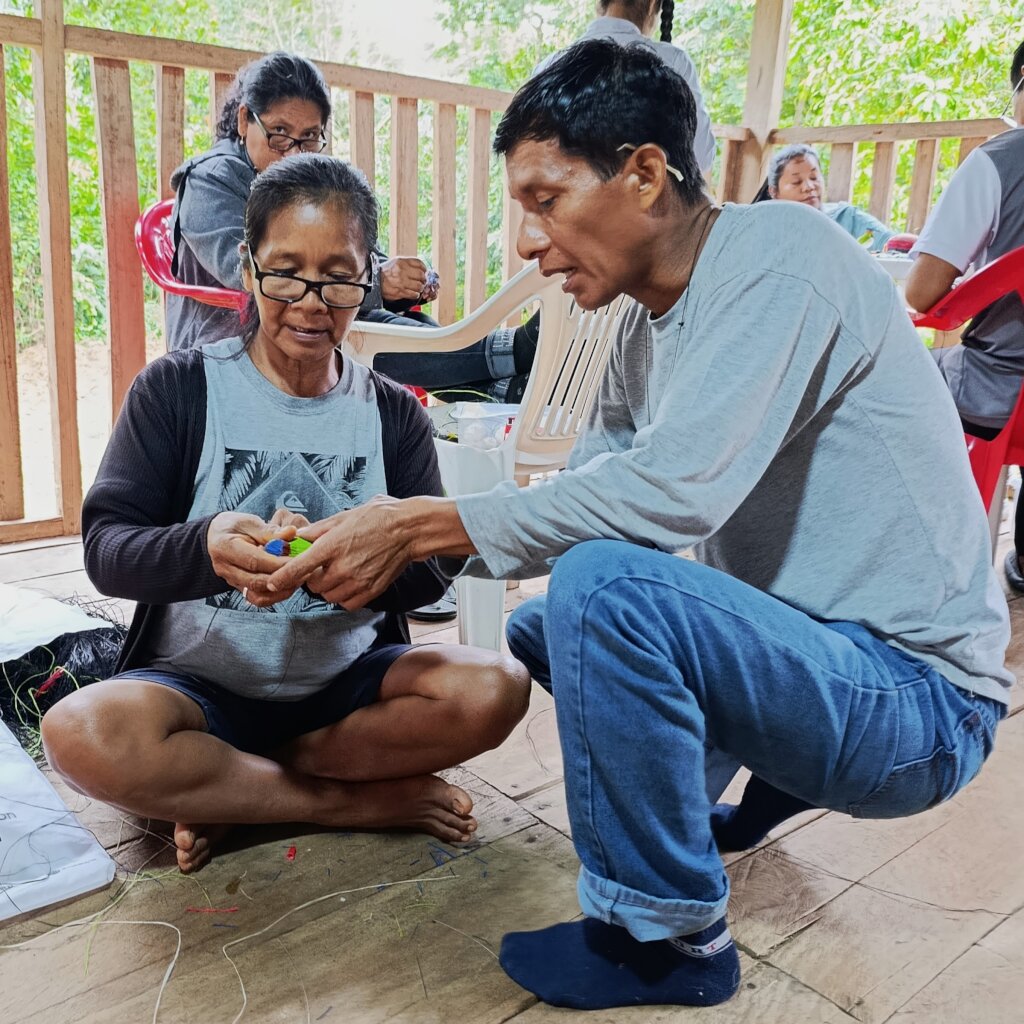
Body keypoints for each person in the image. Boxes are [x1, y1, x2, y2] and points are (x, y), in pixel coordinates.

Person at [258, 41, 1011, 1010]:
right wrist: (377, 547)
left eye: (543, 198)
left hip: (921, 704)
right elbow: (579, 506)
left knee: (604, 593)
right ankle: (752, 782)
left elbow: (670, 497)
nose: (526, 242)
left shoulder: (782, 253)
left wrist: (420, 525)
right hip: (828, 658)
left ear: (645, 172)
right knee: (555, 621)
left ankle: (668, 936)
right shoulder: (637, 324)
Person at [40, 154, 531, 875]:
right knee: (79, 731)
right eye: (285, 270)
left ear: (368, 280)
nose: (311, 299)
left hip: (345, 694)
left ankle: (237, 790)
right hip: (198, 689)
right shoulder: (178, 389)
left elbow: (430, 581)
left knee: (497, 688)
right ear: (247, 269)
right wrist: (203, 546)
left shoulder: (392, 412)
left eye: (338, 276)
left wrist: (367, 571)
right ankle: (347, 803)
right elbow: (108, 549)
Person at [168, 51, 539, 404]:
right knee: (365, 332)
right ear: (244, 120)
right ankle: (512, 357)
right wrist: (376, 283)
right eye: (279, 131)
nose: (295, 152)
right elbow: (247, 271)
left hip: (306, 312)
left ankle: (505, 386)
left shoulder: (305, 181)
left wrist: (400, 280)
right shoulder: (210, 181)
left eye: (310, 136)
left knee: (391, 323)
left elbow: (347, 247)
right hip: (234, 330)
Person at [905, 38, 1024, 593]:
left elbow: (924, 292)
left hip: (998, 389)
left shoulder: (998, 161)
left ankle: (921, 558)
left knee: (885, 374)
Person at [535, 0, 715, 175]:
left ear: (599, 4)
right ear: (653, 4)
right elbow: (701, 157)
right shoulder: (674, 62)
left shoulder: (548, 65)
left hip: (567, 199)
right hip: (644, 200)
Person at [753, 143, 896, 251]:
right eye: (797, 182)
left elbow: (895, 245)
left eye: (814, 177)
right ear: (774, 192)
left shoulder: (848, 219)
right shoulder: (762, 231)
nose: (809, 186)